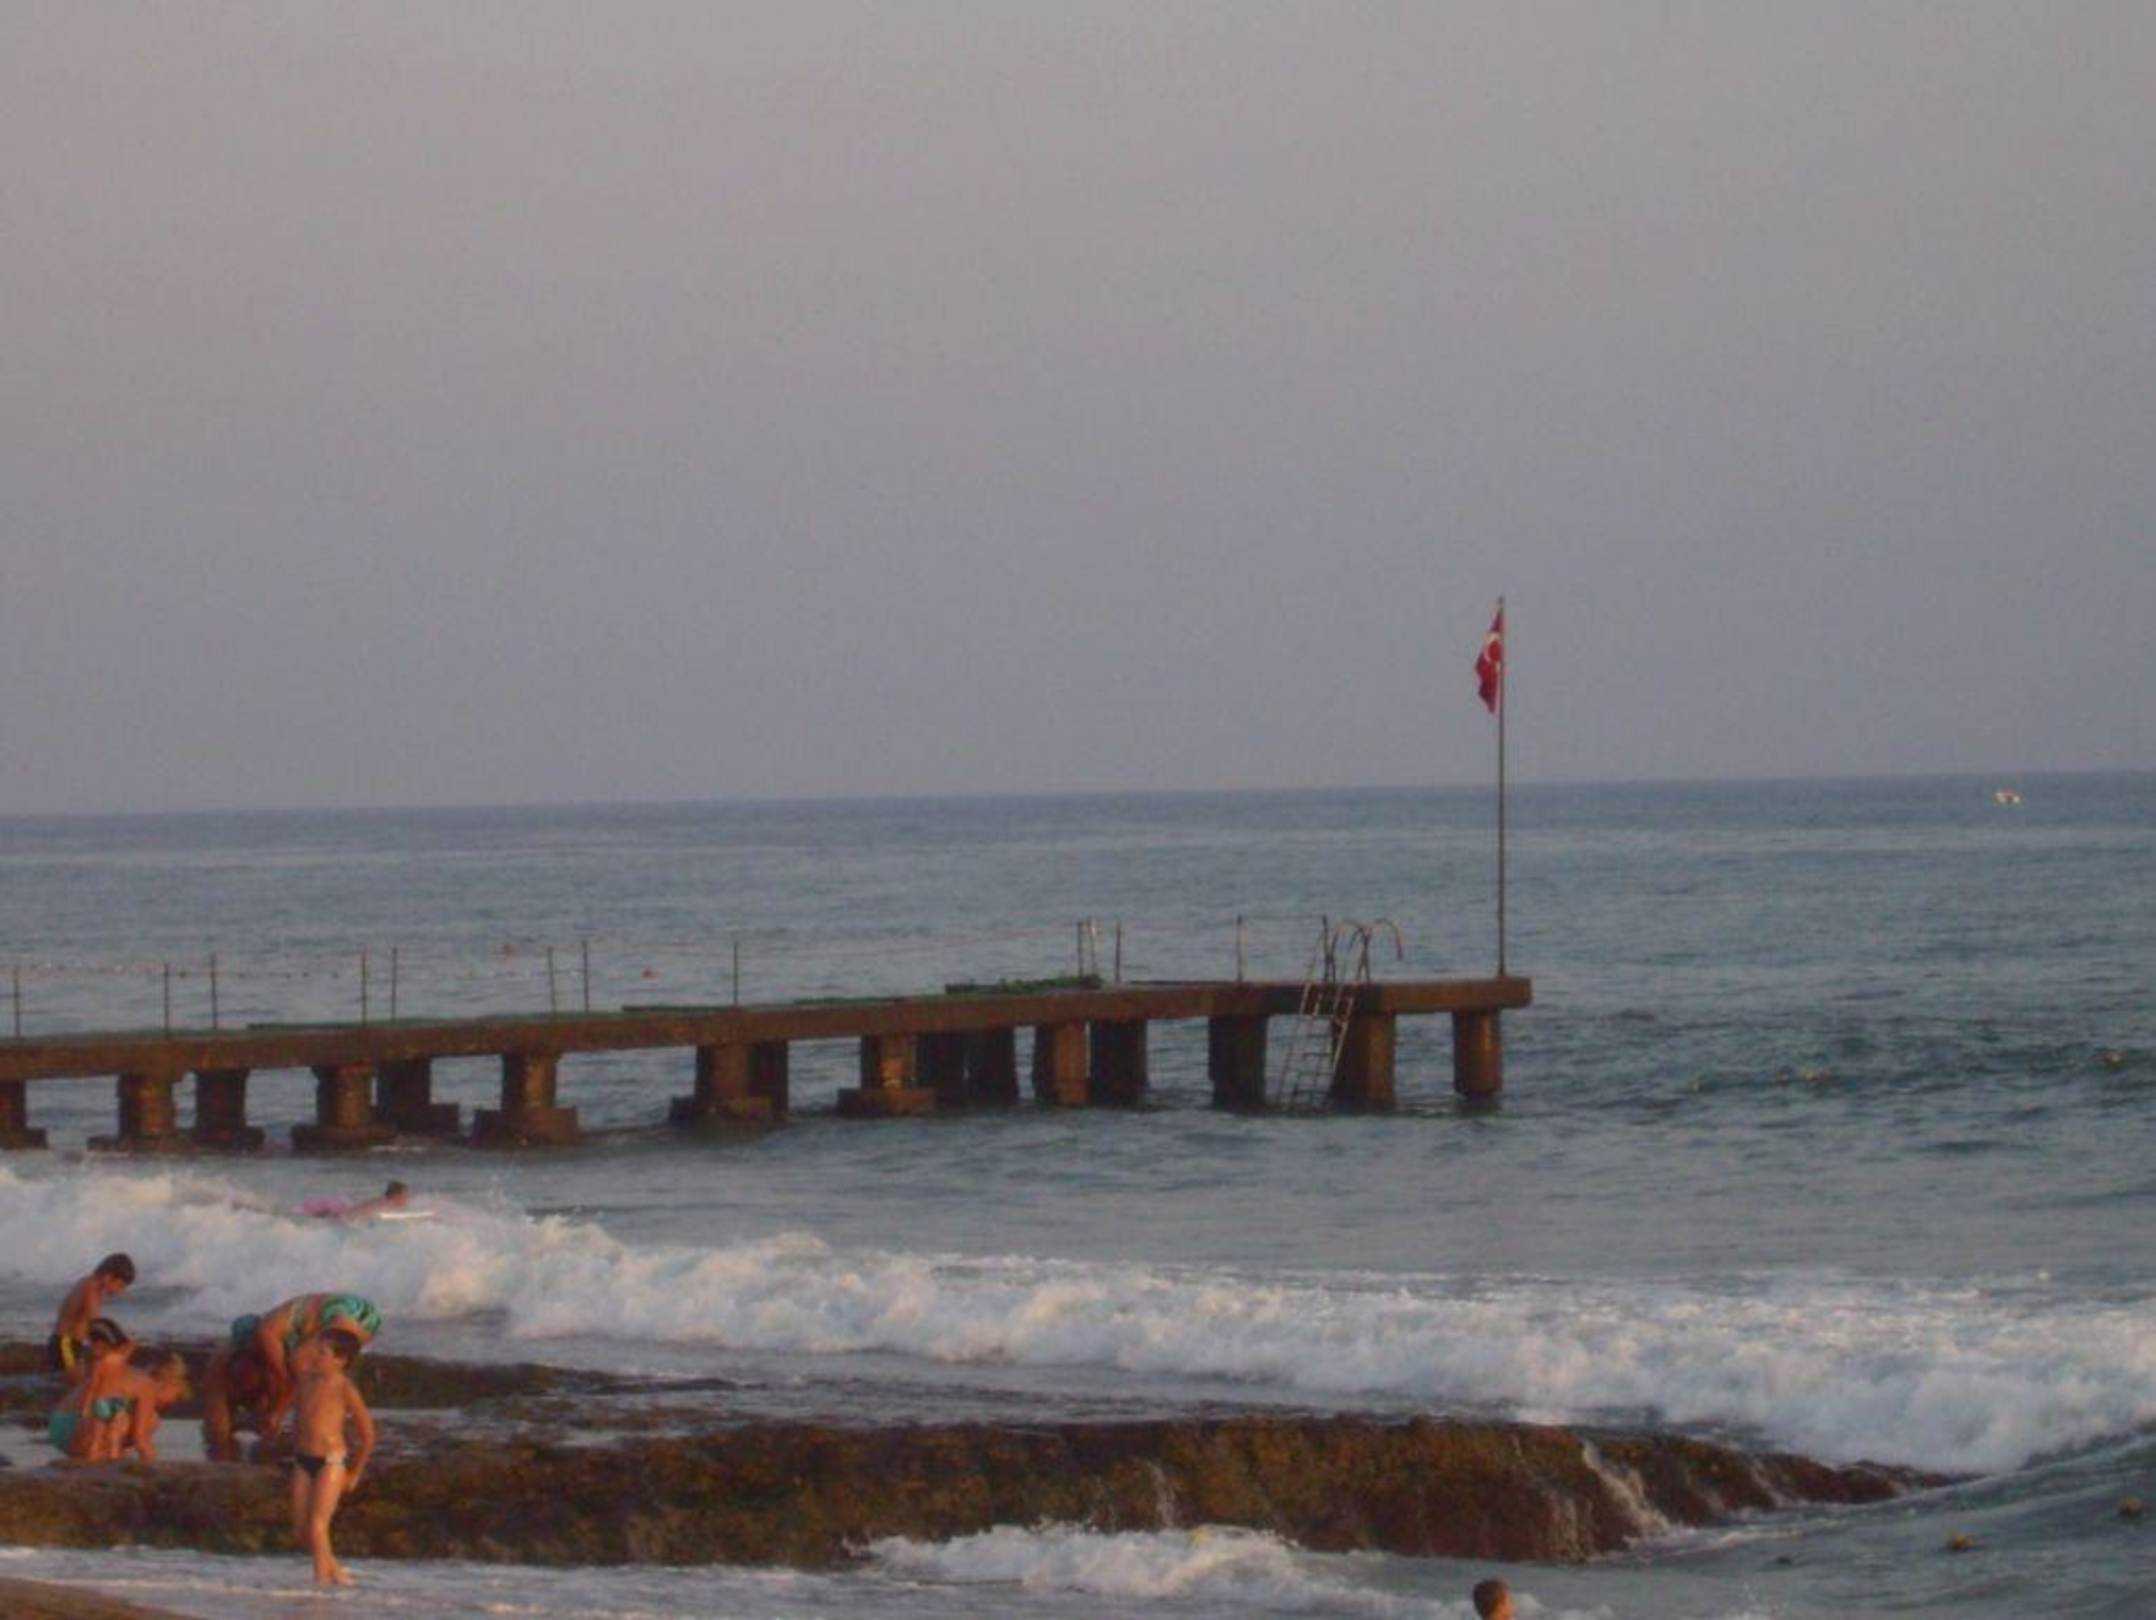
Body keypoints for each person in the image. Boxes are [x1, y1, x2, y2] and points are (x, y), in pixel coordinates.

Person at [288, 1329, 376, 1586]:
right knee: (302, 1532)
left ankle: (320, 1586)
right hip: (303, 1460)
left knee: (318, 1525)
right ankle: (337, 1574)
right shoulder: (305, 1381)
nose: (315, 1356)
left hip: (331, 1462)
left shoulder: (345, 1388)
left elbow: (368, 1435)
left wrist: (355, 1472)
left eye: (322, 1353)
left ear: (341, 1360)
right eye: (316, 1351)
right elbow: (299, 1413)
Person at [254, 1293, 382, 1436]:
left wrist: (276, 1412)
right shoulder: (278, 1329)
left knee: (300, 1374)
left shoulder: (267, 1332)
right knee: (330, 1379)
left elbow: (288, 1374)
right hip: (354, 1312)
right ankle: (330, 1424)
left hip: (339, 1314)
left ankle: (275, 1421)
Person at [45, 1320, 134, 1459]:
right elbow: (130, 1345)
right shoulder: (110, 1363)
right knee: (116, 1426)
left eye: (91, 1343)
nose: (91, 1348)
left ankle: (100, 1452)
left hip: (66, 1421)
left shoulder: (99, 1364)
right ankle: (104, 1454)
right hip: (75, 1423)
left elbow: (129, 1346)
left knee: (108, 1427)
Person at [97, 1347, 192, 1462]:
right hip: (90, 1435)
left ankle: (111, 1454)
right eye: (176, 1396)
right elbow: (141, 1440)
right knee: (151, 1420)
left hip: (84, 1429)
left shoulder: (136, 1377)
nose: (171, 1404)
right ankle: (110, 1457)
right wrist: (154, 1464)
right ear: (169, 1383)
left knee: (125, 1417)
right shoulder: (148, 1388)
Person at [48, 1253, 134, 1376]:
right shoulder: (91, 1287)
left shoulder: (89, 1283)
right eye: (120, 1285)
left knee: (74, 1383)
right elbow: (95, 1323)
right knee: (77, 1383)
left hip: (69, 1343)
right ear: (108, 1277)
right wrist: (119, 1343)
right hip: (65, 1344)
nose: (120, 1291)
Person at [202, 1313, 273, 1462]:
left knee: (270, 1436)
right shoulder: (220, 1361)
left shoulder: (275, 1356)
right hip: (230, 1390)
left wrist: (273, 1418)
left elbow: (286, 1391)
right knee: (215, 1435)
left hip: (263, 1391)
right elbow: (216, 1416)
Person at [296, 1181, 411, 1222]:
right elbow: (361, 1210)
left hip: (344, 1210)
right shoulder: (384, 1203)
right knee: (321, 1217)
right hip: (344, 1214)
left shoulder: (384, 1202)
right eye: (405, 1195)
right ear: (397, 1195)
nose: (407, 1198)